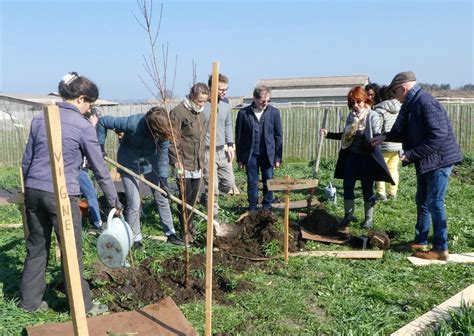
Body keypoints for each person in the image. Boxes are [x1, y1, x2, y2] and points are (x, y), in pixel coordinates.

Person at [20, 72, 122, 315]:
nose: (89, 109)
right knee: (71, 250)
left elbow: (27, 161)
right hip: (62, 195)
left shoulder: (39, 119)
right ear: (81, 98)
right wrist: (114, 201)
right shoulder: (82, 126)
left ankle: (30, 303)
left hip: (34, 190)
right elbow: (100, 169)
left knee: (36, 246)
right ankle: (82, 306)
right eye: (90, 104)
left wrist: (28, 190)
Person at [371, 71, 462, 260]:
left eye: (394, 91)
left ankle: (440, 249)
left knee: (435, 202)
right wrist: (385, 136)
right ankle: (421, 241)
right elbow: (403, 132)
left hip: (440, 160)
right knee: (422, 201)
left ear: (403, 88)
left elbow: (438, 135)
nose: (393, 95)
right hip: (427, 160)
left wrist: (412, 154)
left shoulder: (425, 103)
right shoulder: (410, 104)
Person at [96, 107, 185, 248]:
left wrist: (163, 181)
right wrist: (100, 147)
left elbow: (162, 158)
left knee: (161, 196)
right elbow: (103, 122)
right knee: (134, 202)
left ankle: (170, 233)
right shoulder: (132, 123)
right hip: (129, 163)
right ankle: (135, 238)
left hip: (150, 161)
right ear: (152, 127)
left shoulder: (164, 132)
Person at [321, 86, 394, 229]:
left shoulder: (372, 116)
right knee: (347, 186)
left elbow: (376, 136)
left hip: (367, 159)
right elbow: (346, 136)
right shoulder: (351, 117)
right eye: (352, 103)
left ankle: (368, 219)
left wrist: (371, 139)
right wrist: (328, 134)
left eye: (358, 102)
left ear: (364, 100)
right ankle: (348, 215)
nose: (355, 106)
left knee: (367, 188)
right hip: (352, 158)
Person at [169, 83, 209, 239]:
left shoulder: (201, 114)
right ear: (192, 96)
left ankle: (190, 226)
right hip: (183, 163)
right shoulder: (178, 113)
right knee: (184, 198)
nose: (202, 104)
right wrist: (176, 160)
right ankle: (184, 230)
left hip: (197, 162)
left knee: (193, 199)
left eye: (204, 101)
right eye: (200, 101)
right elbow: (173, 139)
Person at [235, 85, 283, 211]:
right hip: (251, 155)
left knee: (269, 180)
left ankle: (267, 206)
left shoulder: (274, 113)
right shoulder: (243, 113)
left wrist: (278, 157)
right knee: (252, 182)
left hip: (268, 155)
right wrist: (239, 158)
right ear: (254, 98)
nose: (265, 103)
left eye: (268, 101)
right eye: (262, 100)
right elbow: (239, 138)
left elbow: (278, 136)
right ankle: (252, 207)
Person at [201, 73, 236, 219]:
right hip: (207, 151)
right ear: (211, 88)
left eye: (226, 89)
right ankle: (213, 218)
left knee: (229, 183)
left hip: (222, 150)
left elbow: (227, 124)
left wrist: (230, 143)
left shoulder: (226, 103)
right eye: (221, 89)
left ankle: (205, 199)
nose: (224, 92)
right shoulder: (201, 104)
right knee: (213, 188)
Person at [373, 86, 403, 201]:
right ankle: (393, 193)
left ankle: (381, 193)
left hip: (383, 144)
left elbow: (377, 128)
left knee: (379, 168)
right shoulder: (400, 108)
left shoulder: (380, 109)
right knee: (393, 168)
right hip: (397, 144)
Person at [79, 108, 103, 230]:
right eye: (96, 119)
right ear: (92, 117)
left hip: (81, 168)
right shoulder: (86, 128)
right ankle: (97, 223)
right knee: (91, 194)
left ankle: (79, 220)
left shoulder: (84, 127)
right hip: (77, 169)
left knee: (78, 195)